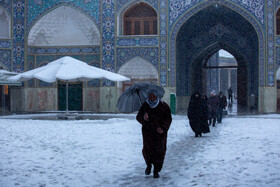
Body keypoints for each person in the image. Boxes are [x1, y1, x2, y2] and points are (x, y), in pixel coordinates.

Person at [136, 89, 172, 178]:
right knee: (148, 150)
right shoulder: (145, 105)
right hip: (148, 133)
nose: (152, 99)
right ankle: (148, 165)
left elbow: (168, 118)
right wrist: (144, 118)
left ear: (157, 96)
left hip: (159, 134)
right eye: (150, 97)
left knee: (159, 151)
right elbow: (138, 117)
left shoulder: (163, 106)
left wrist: (163, 128)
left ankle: (156, 170)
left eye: (154, 97)